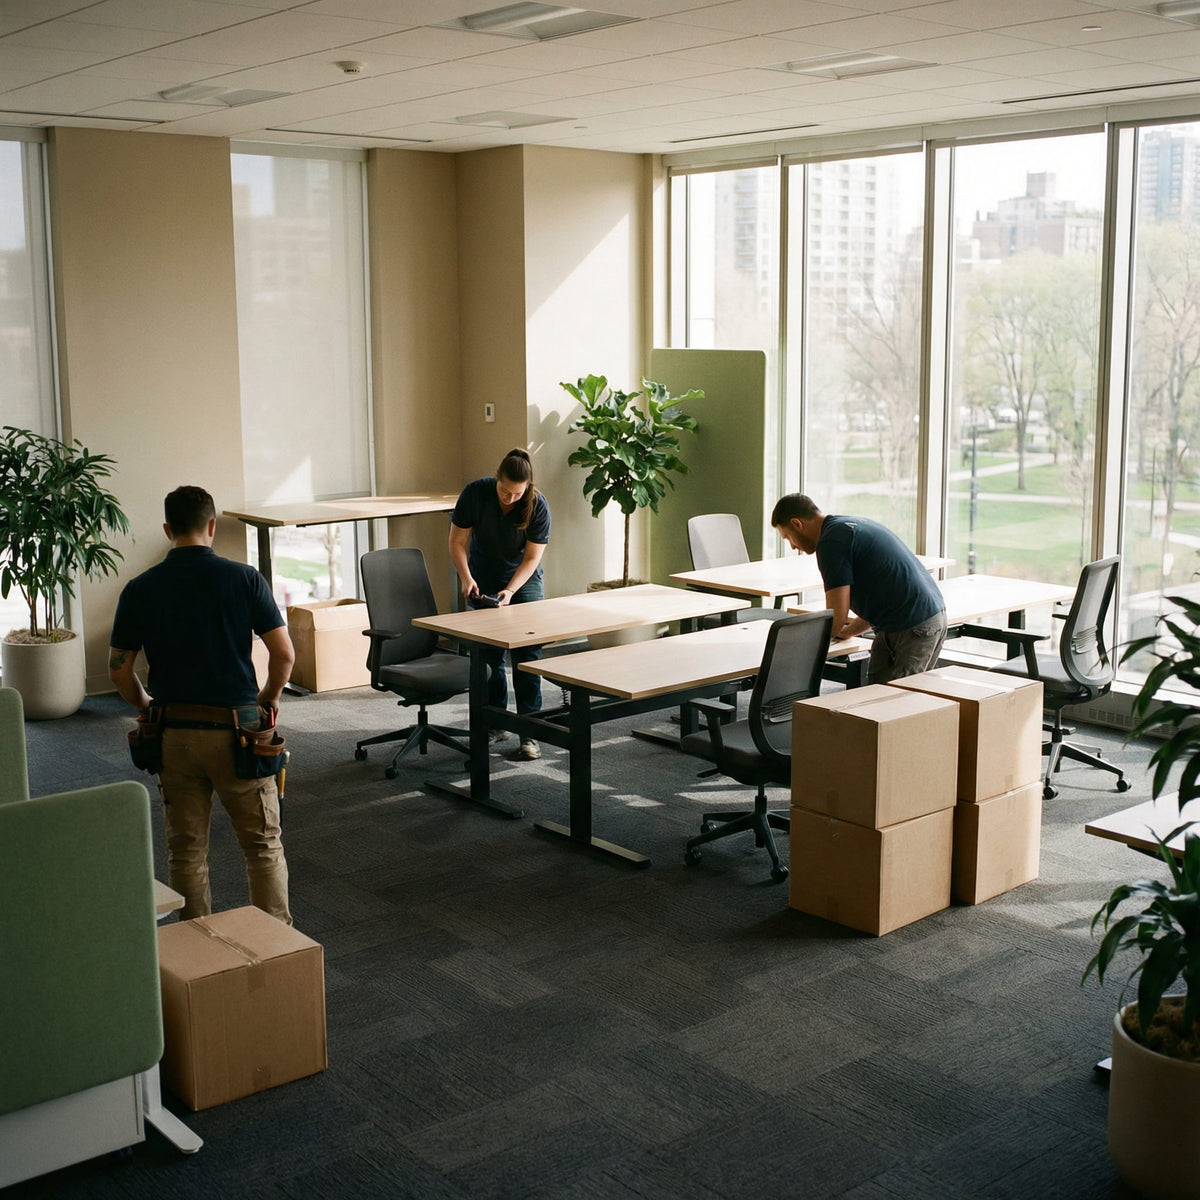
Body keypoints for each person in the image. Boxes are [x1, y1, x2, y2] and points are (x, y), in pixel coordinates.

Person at [108, 485, 295, 925]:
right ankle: (276, 945)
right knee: (262, 846)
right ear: (212, 526)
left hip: (174, 735)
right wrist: (266, 701)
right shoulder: (244, 578)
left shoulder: (140, 588)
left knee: (186, 851)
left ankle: (197, 951)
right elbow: (284, 654)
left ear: (167, 529)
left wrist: (146, 703)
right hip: (239, 735)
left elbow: (119, 669)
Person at [771, 493, 947, 684]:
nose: (792, 546)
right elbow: (879, 596)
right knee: (874, 694)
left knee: (897, 703)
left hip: (914, 625)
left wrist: (799, 647)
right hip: (922, 618)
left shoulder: (831, 543)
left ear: (797, 523)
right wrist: (848, 631)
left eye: (788, 537)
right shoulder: (846, 526)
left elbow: (837, 615)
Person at [449, 448, 551, 761]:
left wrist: (509, 591)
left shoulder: (537, 505)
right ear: (496, 479)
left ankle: (529, 731)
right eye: (504, 490)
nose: (509, 498)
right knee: (489, 656)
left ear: (527, 488)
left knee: (526, 655)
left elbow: (533, 557)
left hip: (523, 580)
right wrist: (466, 579)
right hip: (481, 577)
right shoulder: (475, 493)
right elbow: (457, 542)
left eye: (516, 493)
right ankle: (495, 724)